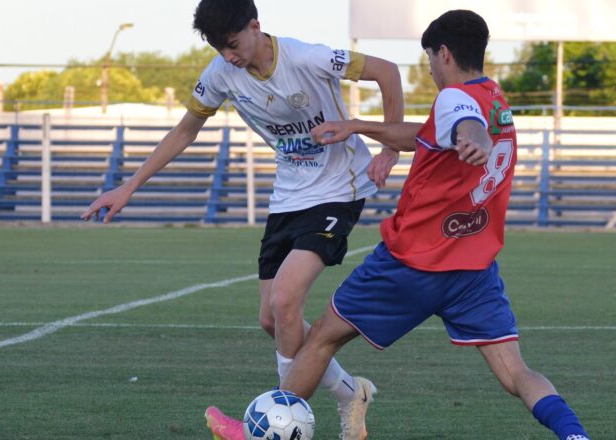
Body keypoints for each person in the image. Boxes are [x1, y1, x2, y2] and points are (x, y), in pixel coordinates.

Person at [208, 9, 590, 440]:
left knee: (319, 341)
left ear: (443, 53)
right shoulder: (495, 98)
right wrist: (358, 126)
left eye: (429, 59)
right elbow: (425, 134)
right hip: (473, 270)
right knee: (517, 373)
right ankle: (574, 434)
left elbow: (464, 122)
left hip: (410, 264)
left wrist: (475, 137)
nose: (429, 69)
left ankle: (258, 431)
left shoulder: (456, 100)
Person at [80, 0, 404, 439]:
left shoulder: (308, 56)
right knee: (272, 320)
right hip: (287, 197)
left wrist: (390, 146)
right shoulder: (219, 73)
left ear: (255, 26)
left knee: (286, 301)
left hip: (337, 191)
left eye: (232, 44)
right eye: (218, 48)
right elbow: (184, 131)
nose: (228, 56)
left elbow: (388, 72)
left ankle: (270, 425)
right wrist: (129, 185)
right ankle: (350, 393)